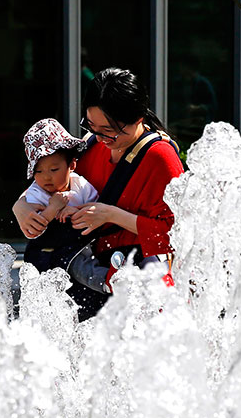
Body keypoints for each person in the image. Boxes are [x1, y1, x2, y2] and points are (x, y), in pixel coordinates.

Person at [12, 67, 183, 320]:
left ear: (137, 118)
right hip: (85, 269)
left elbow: (176, 234)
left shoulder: (161, 157)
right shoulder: (92, 144)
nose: (101, 137)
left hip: (134, 275)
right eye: (91, 125)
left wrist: (111, 215)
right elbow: (58, 183)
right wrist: (21, 205)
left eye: (109, 129)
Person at [21, 119, 97, 251]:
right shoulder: (36, 193)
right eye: (38, 171)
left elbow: (96, 211)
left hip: (79, 250)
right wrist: (53, 208)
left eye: (54, 169)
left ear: (72, 165)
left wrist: (76, 212)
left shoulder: (81, 185)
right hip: (45, 253)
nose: (46, 177)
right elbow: (32, 231)